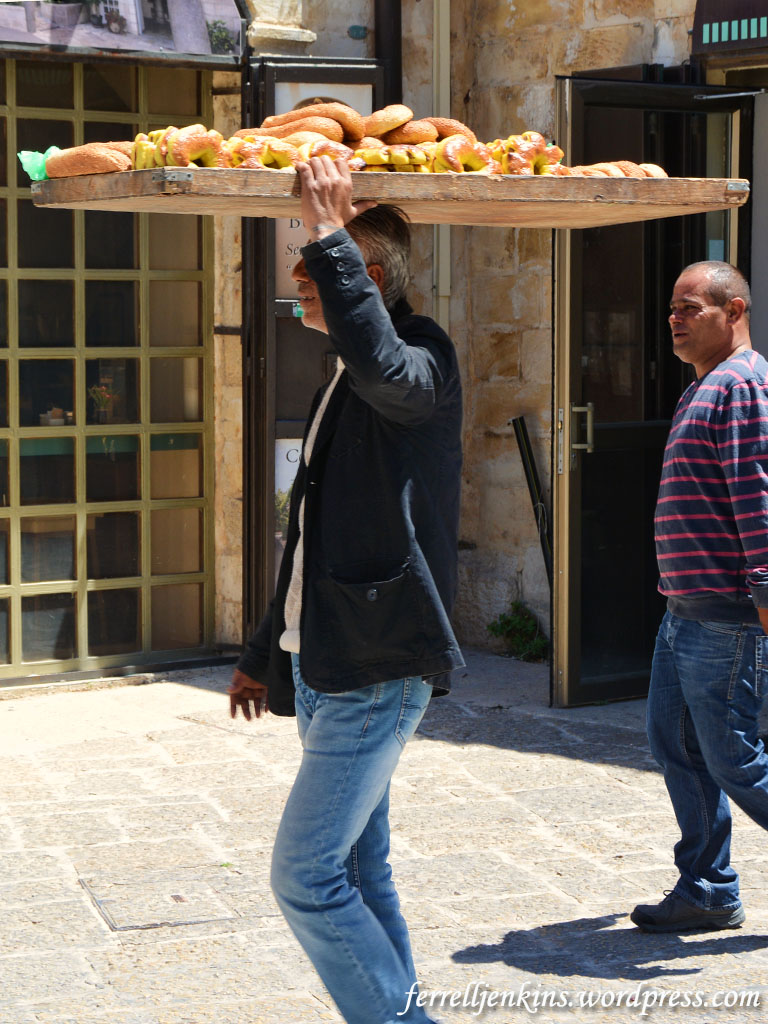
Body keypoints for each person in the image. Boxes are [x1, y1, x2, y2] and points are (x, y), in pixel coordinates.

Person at [229, 156, 464, 1022]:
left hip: (378, 666)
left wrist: (328, 231)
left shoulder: (424, 355)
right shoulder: (340, 370)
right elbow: (308, 535)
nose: (299, 280)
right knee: (362, 871)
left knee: (305, 876)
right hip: (328, 663)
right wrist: (264, 652)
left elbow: (391, 375)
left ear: (364, 276)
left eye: (313, 268)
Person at [631, 260, 768, 933]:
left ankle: (708, 888)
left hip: (725, 616)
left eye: (691, 308)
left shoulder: (742, 386)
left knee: (733, 758)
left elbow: (758, 495)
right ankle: (708, 889)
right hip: (683, 610)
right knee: (677, 747)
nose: (675, 320)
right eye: (673, 308)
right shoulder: (704, 387)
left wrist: (765, 592)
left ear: (734, 310)